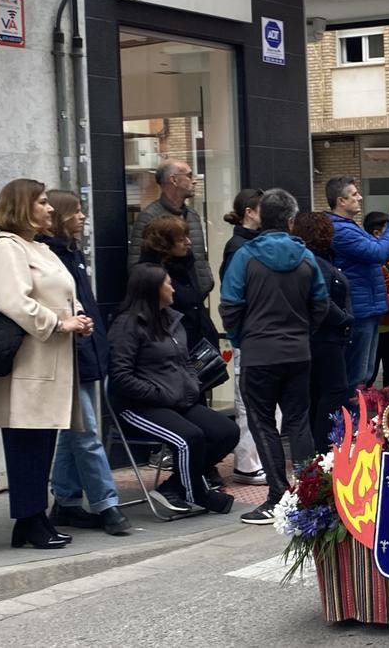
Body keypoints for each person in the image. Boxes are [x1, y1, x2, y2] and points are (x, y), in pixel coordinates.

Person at [0, 179, 92, 549]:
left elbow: (61, 292)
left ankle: (33, 521)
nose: (49, 208)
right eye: (42, 202)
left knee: (42, 442)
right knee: (27, 445)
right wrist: (60, 323)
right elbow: (13, 301)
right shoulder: (5, 248)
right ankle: (29, 521)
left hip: (51, 359)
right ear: (21, 207)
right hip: (26, 363)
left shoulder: (38, 247)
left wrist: (78, 316)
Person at [221, 189, 329, 524]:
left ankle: (277, 495)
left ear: (259, 217)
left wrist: (242, 339)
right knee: (298, 422)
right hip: (298, 352)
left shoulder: (245, 256)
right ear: (291, 221)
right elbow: (321, 303)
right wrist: (303, 333)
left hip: (258, 354)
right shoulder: (306, 257)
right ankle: (308, 493)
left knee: (263, 423)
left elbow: (230, 305)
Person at [108, 264, 237, 516]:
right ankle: (197, 493)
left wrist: (190, 385)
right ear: (153, 290)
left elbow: (185, 361)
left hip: (176, 399)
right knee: (190, 438)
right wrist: (159, 394)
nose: (173, 288)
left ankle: (174, 486)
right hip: (139, 405)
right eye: (168, 283)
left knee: (226, 431)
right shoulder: (127, 325)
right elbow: (120, 377)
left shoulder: (172, 320)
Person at [42, 190, 131, 536]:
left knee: (74, 431)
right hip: (69, 353)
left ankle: (65, 502)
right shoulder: (54, 256)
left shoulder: (71, 253)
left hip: (84, 350)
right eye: (76, 211)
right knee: (86, 431)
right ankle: (107, 504)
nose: (82, 217)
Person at [325, 175, 389, 390]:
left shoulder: (349, 226)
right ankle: (349, 421)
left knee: (365, 373)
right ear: (340, 201)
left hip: (367, 307)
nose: (360, 198)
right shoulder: (341, 229)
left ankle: (356, 418)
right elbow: (378, 252)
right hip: (358, 309)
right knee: (357, 376)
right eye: (354, 194)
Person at [291, 212, 353, 454]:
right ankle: (324, 448)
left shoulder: (316, 259)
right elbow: (323, 301)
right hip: (325, 337)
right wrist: (345, 319)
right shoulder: (317, 263)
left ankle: (318, 448)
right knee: (334, 390)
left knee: (318, 393)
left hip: (320, 336)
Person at [220, 188, 267, 486]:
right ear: (250, 211)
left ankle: (257, 460)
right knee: (247, 401)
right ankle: (247, 463)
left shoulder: (252, 245)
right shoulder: (238, 247)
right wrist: (237, 335)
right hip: (249, 334)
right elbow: (232, 297)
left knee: (260, 400)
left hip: (256, 332)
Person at [128, 158, 213, 297]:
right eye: (189, 176)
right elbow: (137, 265)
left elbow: (200, 256)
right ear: (173, 180)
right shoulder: (149, 216)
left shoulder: (192, 215)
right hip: (167, 302)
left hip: (196, 298)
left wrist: (207, 281)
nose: (194, 181)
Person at [138, 216, 219, 354]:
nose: (188, 242)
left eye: (187, 237)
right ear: (164, 244)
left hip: (201, 344)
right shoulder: (151, 274)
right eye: (181, 240)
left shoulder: (186, 263)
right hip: (175, 348)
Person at [362, 211, 389, 390]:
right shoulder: (371, 261)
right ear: (377, 233)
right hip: (378, 327)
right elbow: (376, 298)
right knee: (369, 374)